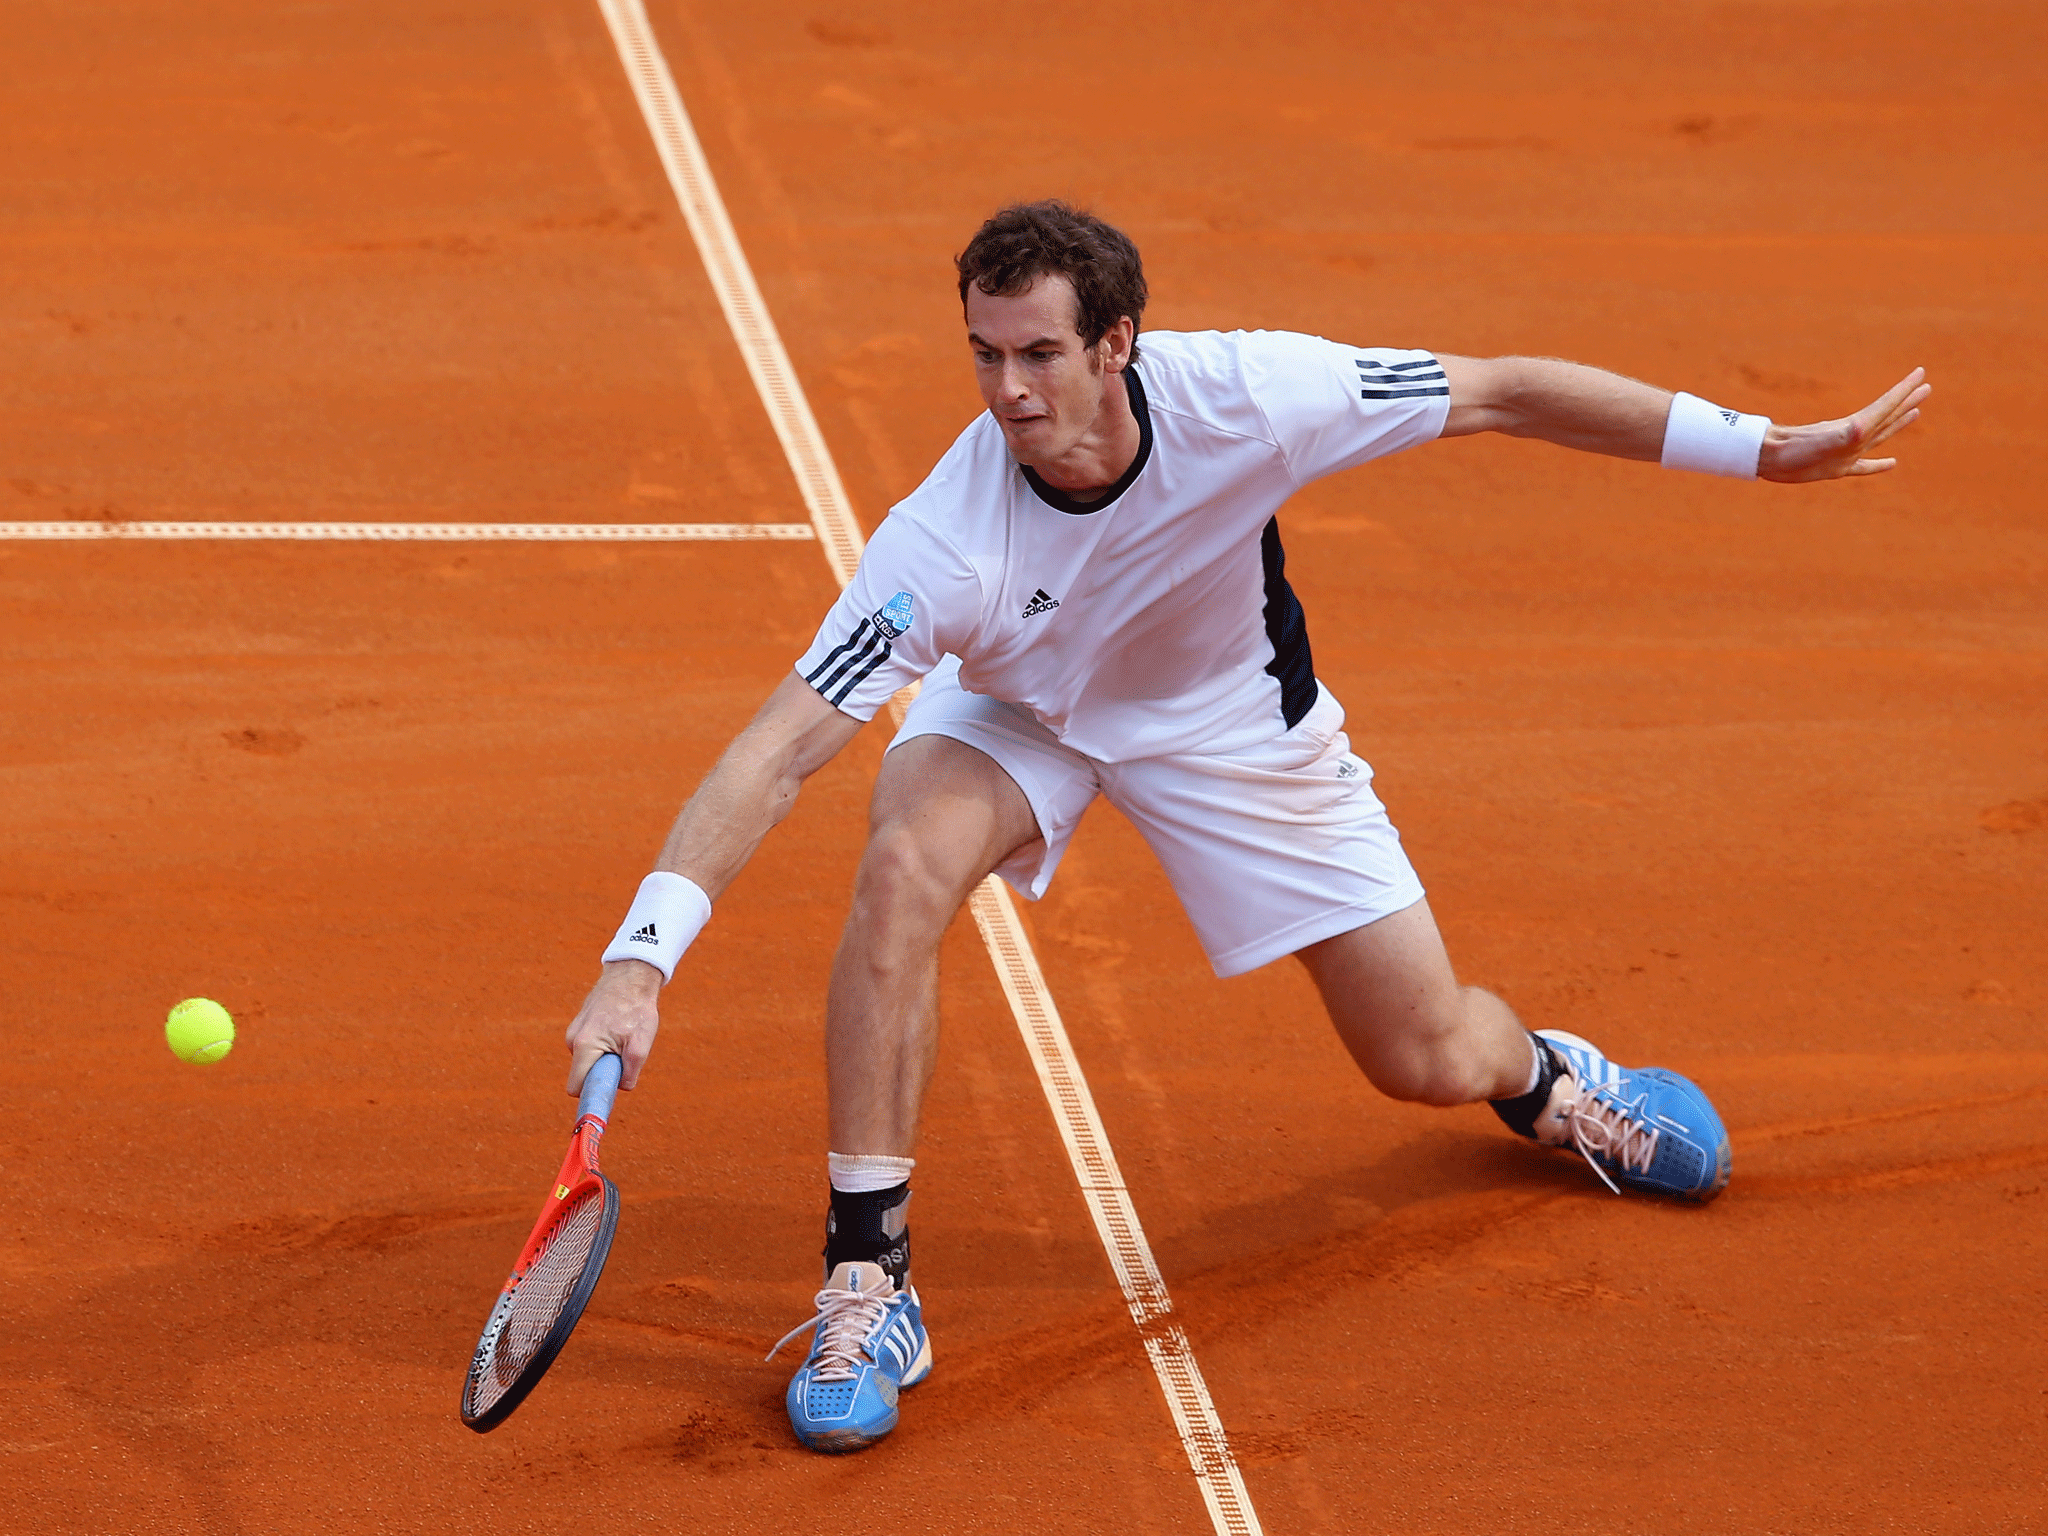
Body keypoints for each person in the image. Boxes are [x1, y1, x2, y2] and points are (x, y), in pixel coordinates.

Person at [563, 201, 1929, 1454]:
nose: (1007, 392)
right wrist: (640, 959)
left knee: (1424, 1051)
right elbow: (775, 749)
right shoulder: (944, 538)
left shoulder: (1261, 396)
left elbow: (1504, 391)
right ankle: (870, 1278)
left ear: (1121, 342)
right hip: (1023, 712)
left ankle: (1550, 1082)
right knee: (901, 865)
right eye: (982, 355)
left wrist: (1756, 449)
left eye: (1038, 353)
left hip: (1230, 722)